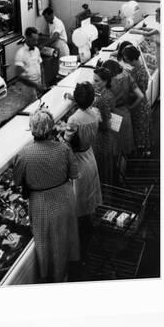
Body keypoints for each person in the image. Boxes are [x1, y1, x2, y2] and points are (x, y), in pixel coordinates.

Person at [13, 108, 80, 283]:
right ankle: (63, 274)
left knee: (45, 242)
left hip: (40, 203)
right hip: (64, 198)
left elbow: (17, 181)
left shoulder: (24, 154)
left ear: (32, 129)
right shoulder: (63, 148)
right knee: (63, 237)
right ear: (51, 128)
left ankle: (47, 275)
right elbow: (74, 174)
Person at [62, 82, 101, 260]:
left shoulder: (73, 120)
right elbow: (87, 108)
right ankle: (89, 231)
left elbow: (66, 141)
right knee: (88, 197)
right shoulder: (95, 114)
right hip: (89, 157)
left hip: (78, 162)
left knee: (77, 203)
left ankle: (78, 245)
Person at [101, 59, 144, 156]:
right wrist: (130, 107)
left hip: (112, 117)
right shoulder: (127, 76)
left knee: (115, 151)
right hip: (125, 114)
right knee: (126, 147)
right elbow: (140, 96)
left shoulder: (107, 82)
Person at [122, 45, 152, 156]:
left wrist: (131, 106)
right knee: (142, 130)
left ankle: (144, 154)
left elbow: (140, 94)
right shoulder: (137, 69)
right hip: (138, 106)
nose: (125, 60)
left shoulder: (142, 73)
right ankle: (144, 151)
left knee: (141, 131)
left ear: (132, 59)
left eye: (126, 58)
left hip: (139, 107)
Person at [92, 67, 117, 185]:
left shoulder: (104, 98)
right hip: (105, 137)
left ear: (106, 81)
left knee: (102, 168)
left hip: (103, 138)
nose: (93, 83)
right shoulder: (104, 93)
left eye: (97, 81)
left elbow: (106, 125)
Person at [14, 27, 45, 102]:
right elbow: (20, 77)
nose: (36, 42)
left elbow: (41, 66)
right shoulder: (20, 54)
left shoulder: (36, 50)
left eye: (37, 40)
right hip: (27, 88)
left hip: (38, 83)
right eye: (34, 40)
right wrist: (35, 86)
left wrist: (43, 83)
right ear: (27, 38)